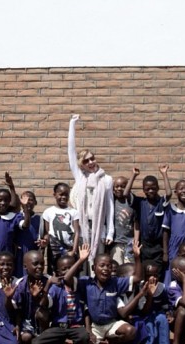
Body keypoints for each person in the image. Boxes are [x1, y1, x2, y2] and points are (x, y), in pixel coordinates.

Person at [68, 114, 114, 269]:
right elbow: (71, 152)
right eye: (86, 161)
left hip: (100, 227)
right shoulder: (80, 178)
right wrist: (72, 124)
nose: (91, 162)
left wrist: (110, 232)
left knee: (98, 265)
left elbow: (110, 206)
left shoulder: (106, 179)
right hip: (83, 228)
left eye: (92, 158)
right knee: (83, 267)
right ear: (82, 165)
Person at [78, 241, 143, 344]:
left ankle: (112, 340)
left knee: (131, 331)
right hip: (95, 326)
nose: (106, 269)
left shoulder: (115, 282)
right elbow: (68, 278)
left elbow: (138, 278)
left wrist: (137, 257)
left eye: (109, 266)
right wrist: (81, 260)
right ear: (93, 268)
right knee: (87, 340)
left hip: (112, 324)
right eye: (102, 265)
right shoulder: (87, 283)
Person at [33, 245, 91, 344]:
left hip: (75, 328)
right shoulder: (57, 288)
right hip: (59, 327)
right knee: (37, 342)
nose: (68, 271)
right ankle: (64, 340)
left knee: (84, 337)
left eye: (71, 267)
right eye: (64, 269)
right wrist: (48, 283)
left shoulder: (81, 284)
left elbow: (86, 310)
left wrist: (88, 329)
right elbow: (43, 304)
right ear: (58, 272)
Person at [130, 166, 172, 280]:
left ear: (158, 188)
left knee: (156, 273)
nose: (150, 191)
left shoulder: (161, 203)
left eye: (153, 188)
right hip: (144, 245)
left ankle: (156, 295)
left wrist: (164, 174)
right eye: (147, 189)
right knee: (143, 272)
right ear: (143, 189)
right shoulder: (140, 202)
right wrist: (133, 176)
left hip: (158, 247)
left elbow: (168, 193)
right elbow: (125, 194)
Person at [11, 250, 53, 342]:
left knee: (42, 314)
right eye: (35, 264)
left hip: (47, 322)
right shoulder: (20, 284)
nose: (40, 267)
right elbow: (18, 309)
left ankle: (44, 338)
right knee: (26, 337)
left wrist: (38, 296)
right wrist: (17, 325)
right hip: (27, 322)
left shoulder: (48, 281)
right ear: (25, 266)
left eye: (42, 264)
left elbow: (47, 307)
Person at [43, 183, 79, 274]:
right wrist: (45, 241)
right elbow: (47, 233)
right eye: (61, 194)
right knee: (54, 272)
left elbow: (77, 232)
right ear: (54, 195)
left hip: (69, 249)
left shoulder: (74, 212)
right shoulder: (48, 212)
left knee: (70, 272)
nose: (63, 197)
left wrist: (74, 250)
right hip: (54, 250)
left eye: (66, 195)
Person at [110, 170, 138, 265]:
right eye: (117, 186)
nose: (119, 189)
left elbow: (136, 224)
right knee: (116, 267)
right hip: (116, 243)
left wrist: (136, 241)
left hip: (129, 243)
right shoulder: (111, 202)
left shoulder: (131, 202)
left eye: (123, 186)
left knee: (129, 268)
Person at [138, 261, 170, 344]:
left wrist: (168, 313)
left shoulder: (162, 287)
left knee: (162, 319)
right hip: (145, 314)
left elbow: (165, 303)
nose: (153, 278)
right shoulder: (140, 287)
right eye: (149, 276)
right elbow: (143, 311)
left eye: (155, 275)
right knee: (149, 324)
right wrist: (150, 295)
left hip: (158, 312)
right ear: (143, 276)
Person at [15, 191, 46, 277]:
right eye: (25, 199)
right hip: (19, 252)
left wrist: (42, 244)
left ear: (35, 202)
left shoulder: (39, 219)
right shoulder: (17, 216)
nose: (27, 202)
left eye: (30, 200)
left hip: (33, 251)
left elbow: (43, 235)